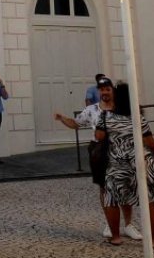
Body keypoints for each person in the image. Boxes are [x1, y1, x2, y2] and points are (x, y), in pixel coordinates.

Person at [54, 77, 142, 241]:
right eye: (102, 90)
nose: (105, 92)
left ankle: (129, 224)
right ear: (98, 91)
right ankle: (111, 223)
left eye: (107, 89)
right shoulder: (92, 110)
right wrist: (62, 119)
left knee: (124, 187)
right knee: (105, 188)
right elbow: (76, 123)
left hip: (121, 150)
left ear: (112, 90)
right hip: (100, 150)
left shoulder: (120, 107)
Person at [97, 82, 154, 248]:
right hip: (140, 162)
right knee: (148, 200)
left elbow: (99, 137)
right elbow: (152, 143)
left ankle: (115, 237)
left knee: (111, 198)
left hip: (116, 162)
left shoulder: (106, 117)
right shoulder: (138, 117)